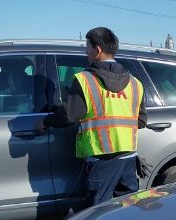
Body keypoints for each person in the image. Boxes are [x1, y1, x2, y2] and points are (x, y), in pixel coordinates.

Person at [41, 27, 147, 208]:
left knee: (97, 212)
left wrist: (45, 121)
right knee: (128, 208)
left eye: (87, 47)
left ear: (97, 50)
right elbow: (141, 121)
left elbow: (68, 116)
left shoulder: (85, 80)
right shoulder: (135, 83)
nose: (86, 52)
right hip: (129, 158)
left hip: (101, 160)